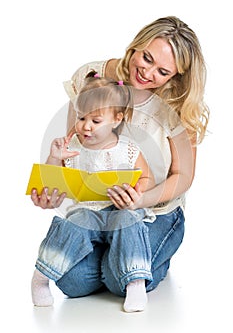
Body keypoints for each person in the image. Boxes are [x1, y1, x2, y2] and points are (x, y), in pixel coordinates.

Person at [31, 16, 209, 311]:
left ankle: (143, 255)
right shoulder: (94, 78)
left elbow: (184, 174)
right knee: (72, 281)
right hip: (97, 207)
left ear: (175, 77)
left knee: (119, 280)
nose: (147, 72)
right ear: (137, 45)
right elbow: (75, 147)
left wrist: (141, 199)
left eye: (162, 71)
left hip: (155, 210)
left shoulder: (177, 104)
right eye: (146, 57)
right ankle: (120, 257)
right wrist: (52, 187)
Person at [31, 75, 156, 312]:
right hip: (87, 210)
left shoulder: (127, 149)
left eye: (95, 120)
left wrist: (136, 194)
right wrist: (55, 157)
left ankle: (135, 282)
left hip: (119, 209)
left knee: (130, 222)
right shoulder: (74, 148)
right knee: (74, 224)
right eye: (81, 118)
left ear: (116, 120)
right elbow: (52, 179)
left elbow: (146, 177)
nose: (86, 126)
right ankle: (41, 276)